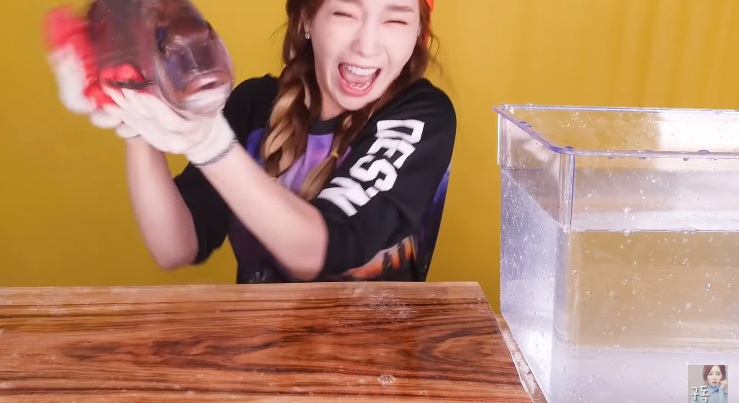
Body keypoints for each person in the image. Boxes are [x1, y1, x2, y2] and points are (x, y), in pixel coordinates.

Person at [47, 0, 456, 284]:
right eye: (345, 13)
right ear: (307, 19)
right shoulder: (252, 106)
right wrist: (135, 117)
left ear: (418, 33)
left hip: (378, 368)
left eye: (395, 21)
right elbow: (175, 247)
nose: (366, 45)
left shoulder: (422, 117)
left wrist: (211, 147)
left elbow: (317, 252)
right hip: (262, 359)